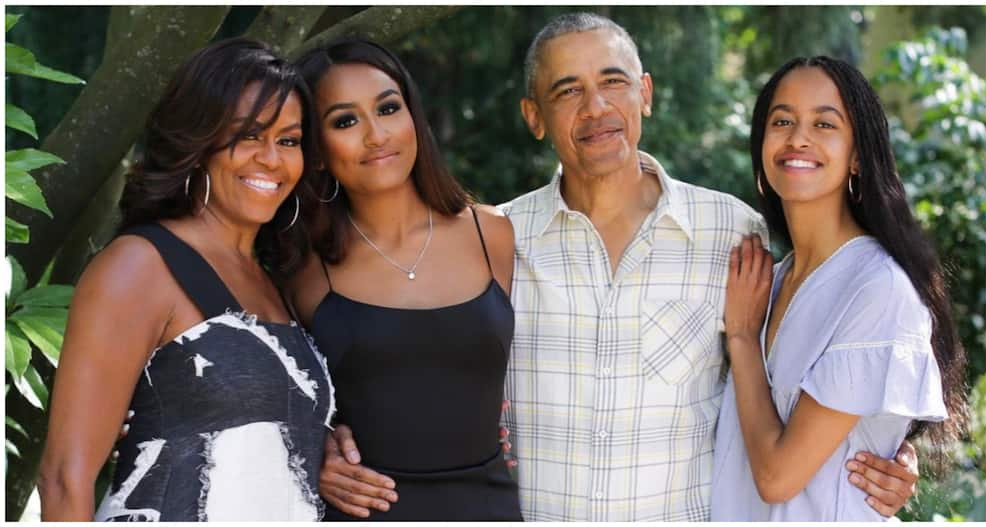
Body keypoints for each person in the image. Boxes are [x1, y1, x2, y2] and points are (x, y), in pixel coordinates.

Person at [319, 13, 921, 521]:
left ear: (647, 95)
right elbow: (403, 357)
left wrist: (894, 446)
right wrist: (323, 436)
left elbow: (805, 365)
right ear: (534, 116)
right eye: (567, 90)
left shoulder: (737, 236)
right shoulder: (492, 240)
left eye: (613, 82)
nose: (596, 107)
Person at [37, 38, 335, 521]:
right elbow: (64, 478)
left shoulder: (275, 277)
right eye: (249, 136)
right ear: (199, 143)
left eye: (289, 141)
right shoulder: (139, 266)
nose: (272, 160)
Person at [711, 56, 967, 521]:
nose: (798, 138)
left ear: (856, 154)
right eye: (782, 120)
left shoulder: (876, 287)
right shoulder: (767, 281)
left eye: (824, 123)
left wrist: (744, 340)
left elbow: (777, 478)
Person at [288, 40, 520, 521]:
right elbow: (270, 394)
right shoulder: (301, 270)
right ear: (315, 150)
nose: (376, 135)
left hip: (487, 508)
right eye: (345, 121)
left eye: (388, 108)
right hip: (363, 511)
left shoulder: (493, 234)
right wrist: (317, 448)